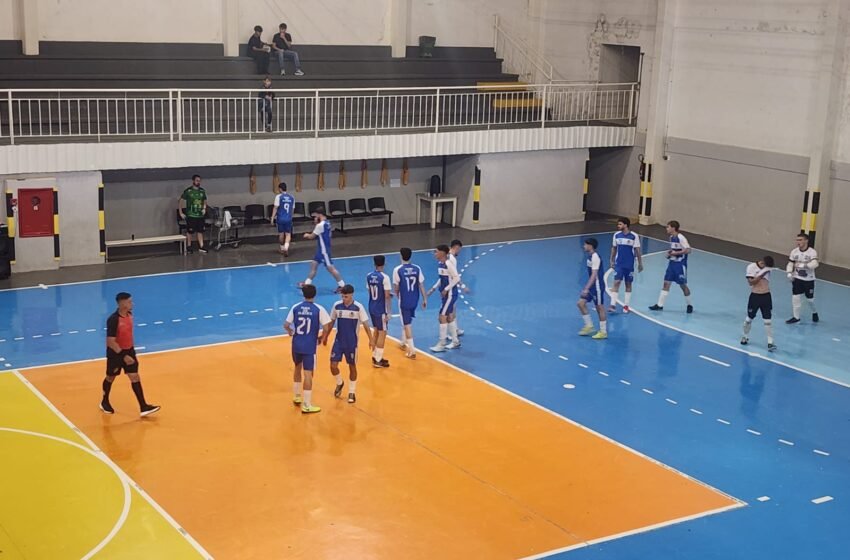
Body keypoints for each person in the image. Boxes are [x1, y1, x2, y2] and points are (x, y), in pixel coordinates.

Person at [100, 292, 160, 417]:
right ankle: (104, 401)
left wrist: (131, 351)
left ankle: (143, 407)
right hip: (116, 354)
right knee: (110, 377)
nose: (132, 304)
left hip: (129, 351)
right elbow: (110, 341)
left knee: (135, 377)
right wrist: (123, 356)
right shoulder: (113, 320)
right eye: (129, 302)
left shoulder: (130, 315)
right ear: (122, 303)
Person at [284, 284, 332, 414]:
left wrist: (291, 332)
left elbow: (286, 325)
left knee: (297, 368)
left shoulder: (295, 307)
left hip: (296, 344)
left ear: (303, 294)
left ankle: (297, 396)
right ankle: (307, 404)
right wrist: (322, 337)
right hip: (309, 346)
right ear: (315, 294)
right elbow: (327, 326)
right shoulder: (318, 309)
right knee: (308, 374)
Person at [325, 285, 374, 404]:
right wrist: (325, 336)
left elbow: (366, 325)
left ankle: (352, 392)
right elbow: (331, 322)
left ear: (352, 295)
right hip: (339, 341)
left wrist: (371, 339)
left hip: (352, 343)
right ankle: (339, 382)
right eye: (342, 296)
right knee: (333, 365)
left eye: (346, 296)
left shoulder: (358, 307)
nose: (344, 299)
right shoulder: (337, 306)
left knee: (352, 366)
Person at [649, 220, 694, 313]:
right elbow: (673, 249)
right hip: (672, 264)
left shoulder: (680, 237)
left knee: (683, 286)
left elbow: (689, 250)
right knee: (666, 283)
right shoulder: (671, 237)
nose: (666, 229)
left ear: (673, 228)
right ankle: (660, 305)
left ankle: (689, 305)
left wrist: (676, 253)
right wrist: (669, 253)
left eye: (668, 227)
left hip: (680, 265)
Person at [300, 208, 346, 293]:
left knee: (331, 268)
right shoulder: (327, 223)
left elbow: (311, 236)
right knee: (313, 265)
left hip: (324, 251)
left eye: (316, 215)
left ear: (319, 215)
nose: (315, 217)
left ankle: (342, 286)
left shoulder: (320, 225)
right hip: (321, 249)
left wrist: (306, 235)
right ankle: (307, 283)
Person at [393, 247, 427, 359]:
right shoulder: (417, 268)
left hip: (404, 300)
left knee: (407, 324)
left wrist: (397, 295)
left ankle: (412, 350)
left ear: (401, 256)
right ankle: (403, 342)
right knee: (407, 320)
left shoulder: (398, 269)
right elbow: (421, 285)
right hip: (415, 299)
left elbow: (396, 288)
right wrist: (425, 299)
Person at [426, 244, 461, 352]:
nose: (434, 253)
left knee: (442, 317)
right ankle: (455, 341)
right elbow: (442, 278)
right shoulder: (440, 264)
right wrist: (433, 288)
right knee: (449, 317)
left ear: (442, 253)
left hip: (450, 294)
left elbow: (456, 278)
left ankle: (442, 344)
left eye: (436, 251)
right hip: (446, 294)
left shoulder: (448, 264)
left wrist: (446, 289)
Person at [741, 256, 777, 352]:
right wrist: (762, 274)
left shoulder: (768, 269)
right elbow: (751, 282)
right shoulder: (751, 267)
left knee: (768, 321)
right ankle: (745, 336)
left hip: (766, 296)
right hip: (755, 297)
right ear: (762, 262)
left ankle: (770, 342)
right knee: (749, 319)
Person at [608, 217, 643, 313]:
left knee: (628, 284)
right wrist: (611, 260)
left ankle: (626, 305)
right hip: (619, 263)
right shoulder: (616, 235)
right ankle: (612, 305)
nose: (618, 226)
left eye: (620, 224)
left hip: (629, 264)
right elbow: (614, 248)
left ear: (626, 225)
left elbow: (637, 251)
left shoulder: (634, 236)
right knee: (616, 283)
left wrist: (640, 263)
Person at [785, 233, 819, 324]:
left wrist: (804, 265)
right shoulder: (794, 252)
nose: (798, 242)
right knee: (795, 297)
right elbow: (790, 263)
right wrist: (789, 273)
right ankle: (796, 317)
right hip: (797, 278)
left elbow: (815, 264)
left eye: (800, 240)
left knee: (809, 300)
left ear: (806, 241)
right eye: (797, 240)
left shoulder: (812, 252)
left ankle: (814, 312)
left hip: (808, 280)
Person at [578, 238, 607, 339]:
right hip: (592, 286)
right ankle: (589, 326)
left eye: (585, 245)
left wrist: (586, 288)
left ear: (591, 246)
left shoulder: (595, 257)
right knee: (581, 304)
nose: (584, 246)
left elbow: (594, 275)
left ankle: (603, 332)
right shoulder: (589, 257)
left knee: (600, 308)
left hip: (597, 286)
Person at [366, 255, 392, 368]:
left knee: (376, 330)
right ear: (384, 264)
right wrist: (388, 312)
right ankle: (378, 360)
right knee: (383, 332)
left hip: (372, 306)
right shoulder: (385, 277)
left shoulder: (369, 276)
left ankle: (375, 355)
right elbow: (387, 296)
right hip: (381, 308)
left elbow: (370, 291)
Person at [178, 174, 208, 253]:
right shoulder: (188, 191)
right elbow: (180, 201)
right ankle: (189, 246)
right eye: (197, 180)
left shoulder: (202, 191)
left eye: (199, 181)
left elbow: (204, 201)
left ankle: (201, 246)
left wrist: (204, 208)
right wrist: (181, 212)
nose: (198, 182)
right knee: (190, 231)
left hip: (200, 215)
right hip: (191, 214)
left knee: (200, 231)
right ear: (193, 181)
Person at [448, 239, 469, 337]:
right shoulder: (452, 259)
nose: (459, 252)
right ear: (456, 247)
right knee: (451, 310)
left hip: (448, 286)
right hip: (451, 287)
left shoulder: (446, 256)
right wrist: (462, 285)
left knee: (451, 309)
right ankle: (453, 332)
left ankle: (454, 329)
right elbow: (454, 275)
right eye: (459, 249)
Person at [270, 182, 294, 255]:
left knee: (281, 234)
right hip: (288, 218)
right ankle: (286, 247)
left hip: (280, 218)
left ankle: (282, 248)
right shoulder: (292, 197)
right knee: (288, 234)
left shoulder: (278, 197)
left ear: (280, 189)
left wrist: (272, 218)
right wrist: (290, 217)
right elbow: (292, 209)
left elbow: (275, 208)